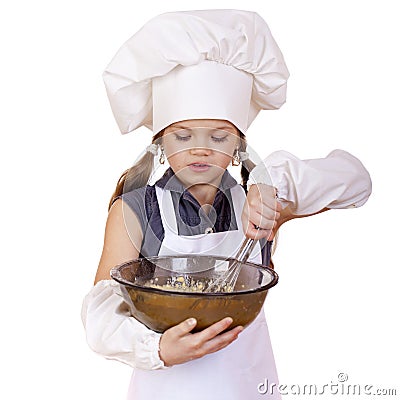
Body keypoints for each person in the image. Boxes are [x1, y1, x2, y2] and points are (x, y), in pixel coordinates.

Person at [81, 9, 372, 400]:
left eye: (218, 137)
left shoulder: (261, 205)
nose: (200, 149)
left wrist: (275, 185)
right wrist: (159, 349)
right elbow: (99, 314)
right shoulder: (135, 211)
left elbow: (356, 180)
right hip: (167, 388)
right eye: (183, 136)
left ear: (239, 146)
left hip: (249, 386)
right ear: (161, 142)